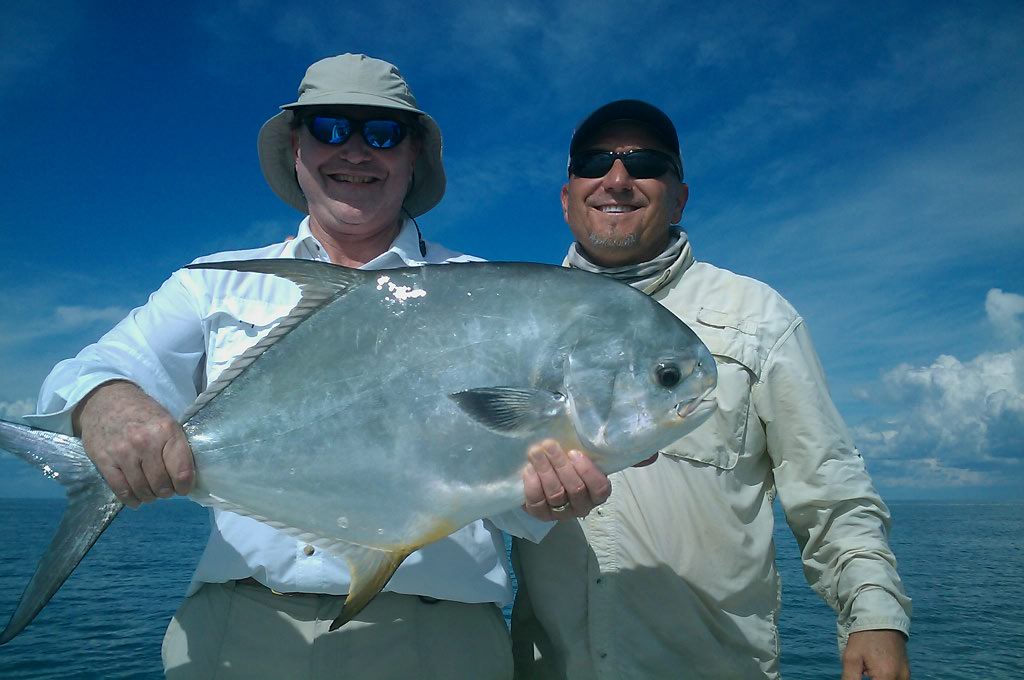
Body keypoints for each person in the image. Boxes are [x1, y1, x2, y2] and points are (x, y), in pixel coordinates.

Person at [23, 54, 589, 680]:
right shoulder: (217, 284)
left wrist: (546, 496)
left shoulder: (488, 293)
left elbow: (503, 501)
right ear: (296, 148)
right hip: (239, 632)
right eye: (328, 128)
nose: (355, 150)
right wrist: (107, 404)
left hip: (439, 639)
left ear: (414, 155)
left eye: (382, 132)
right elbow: (87, 370)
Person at [511, 100, 913, 680]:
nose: (617, 179)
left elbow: (829, 487)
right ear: (567, 196)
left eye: (645, 162)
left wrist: (874, 613)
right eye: (596, 161)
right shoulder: (514, 322)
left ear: (679, 196)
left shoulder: (757, 317)